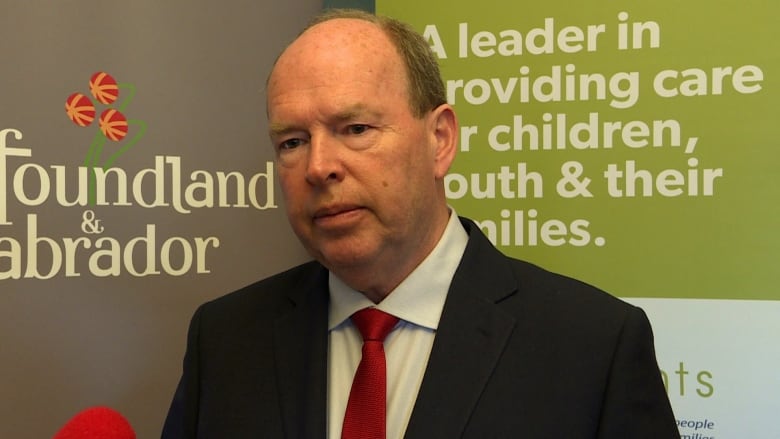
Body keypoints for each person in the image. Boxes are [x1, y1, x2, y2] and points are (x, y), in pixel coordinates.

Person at [162, 8, 678, 439]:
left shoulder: (593, 347)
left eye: (356, 128)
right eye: (292, 141)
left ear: (440, 140)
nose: (319, 166)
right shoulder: (225, 339)